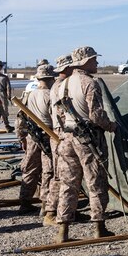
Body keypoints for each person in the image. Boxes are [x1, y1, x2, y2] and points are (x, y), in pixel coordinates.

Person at [53, 46, 117, 241]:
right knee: (95, 181)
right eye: (94, 60)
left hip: (66, 138)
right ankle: (99, 226)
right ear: (84, 62)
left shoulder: (61, 85)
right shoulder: (89, 83)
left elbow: (59, 115)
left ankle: (62, 231)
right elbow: (96, 115)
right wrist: (111, 126)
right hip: (87, 139)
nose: (96, 63)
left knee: (68, 184)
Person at [16, 64, 56, 215]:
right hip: (47, 135)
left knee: (30, 169)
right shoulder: (51, 95)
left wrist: (21, 137)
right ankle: (45, 204)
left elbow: (20, 118)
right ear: (51, 78)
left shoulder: (30, 95)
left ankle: (24, 201)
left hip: (32, 135)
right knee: (49, 170)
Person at [43, 54, 73, 225]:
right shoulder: (61, 86)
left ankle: (65, 211)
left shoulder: (57, 85)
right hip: (61, 133)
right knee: (60, 175)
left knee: (64, 175)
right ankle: (51, 212)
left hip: (59, 132)